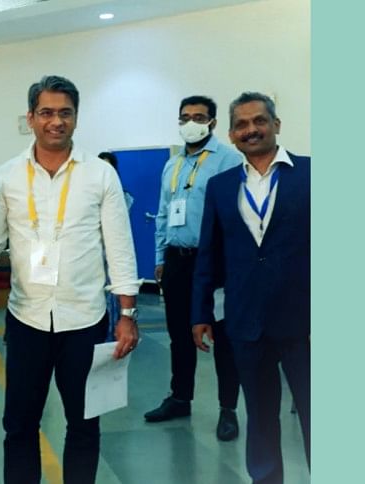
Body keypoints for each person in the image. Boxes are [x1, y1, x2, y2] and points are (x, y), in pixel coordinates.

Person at [0, 75, 140, 484]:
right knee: (19, 425)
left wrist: (127, 314)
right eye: (46, 112)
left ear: (76, 117)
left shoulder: (100, 175)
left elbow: (119, 248)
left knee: (84, 425)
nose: (56, 121)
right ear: (30, 117)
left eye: (65, 113)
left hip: (85, 320)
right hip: (26, 320)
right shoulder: (7, 176)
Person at [192, 92, 310, 484]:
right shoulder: (221, 186)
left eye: (259, 120)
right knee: (260, 416)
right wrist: (200, 313)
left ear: (276, 124)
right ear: (231, 134)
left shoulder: (311, 174)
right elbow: (209, 254)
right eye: (241, 124)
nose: (251, 129)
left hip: (304, 323)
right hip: (246, 322)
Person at [145, 95, 243, 443]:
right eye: (185, 117)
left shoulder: (229, 159)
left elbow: (236, 214)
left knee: (223, 336)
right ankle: (180, 397)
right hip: (177, 259)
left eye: (199, 117)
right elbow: (163, 212)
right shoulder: (172, 165)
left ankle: (228, 409)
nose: (191, 123)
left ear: (213, 122)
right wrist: (160, 257)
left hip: (214, 262)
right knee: (179, 334)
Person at [97, 151, 134, 343]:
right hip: (93, 258)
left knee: (114, 297)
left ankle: (113, 335)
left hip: (112, 255)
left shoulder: (123, 197)